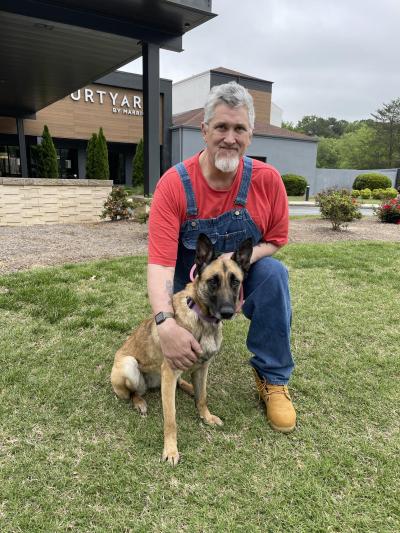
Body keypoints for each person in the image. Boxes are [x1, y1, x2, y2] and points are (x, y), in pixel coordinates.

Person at [147, 81, 296, 433]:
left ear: (251, 134)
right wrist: (165, 322)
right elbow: (161, 265)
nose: (230, 137)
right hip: (191, 277)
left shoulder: (268, 181)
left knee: (274, 275)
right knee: (175, 318)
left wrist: (239, 264)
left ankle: (273, 378)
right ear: (204, 131)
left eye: (239, 128)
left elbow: (276, 239)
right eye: (221, 127)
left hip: (240, 271)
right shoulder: (174, 185)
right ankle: (182, 344)